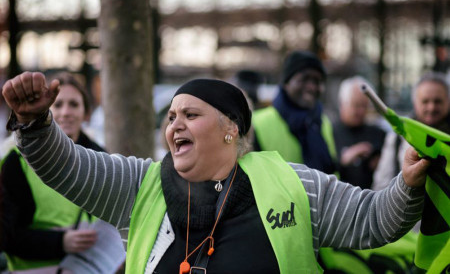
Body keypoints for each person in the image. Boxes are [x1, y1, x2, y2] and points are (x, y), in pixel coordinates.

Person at [2, 71, 430, 273]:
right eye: (170, 117)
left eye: (190, 113)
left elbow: (374, 220)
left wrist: (408, 183)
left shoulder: (296, 186)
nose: (174, 125)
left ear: (231, 129)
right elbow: (67, 167)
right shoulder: (139, 186)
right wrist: (36, 125)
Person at [1, 73, 125, 273]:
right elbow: (6, 237)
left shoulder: (102, 159)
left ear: (87, 113)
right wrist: (60, 242)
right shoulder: (15, 161)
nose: (66, 112)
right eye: (58, 105)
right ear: (45, 109)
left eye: (74, 104)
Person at [252, 50, 337, 174]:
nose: (311, 87)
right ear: (286, 83)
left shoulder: (323, 122)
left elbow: (332, 172)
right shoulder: (257, 123)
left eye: (317, 81)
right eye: (304, 79)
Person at [372, 72, 450, 191]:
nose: (431, 107)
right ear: (415, 103)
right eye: (425, 101)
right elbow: (381, 186)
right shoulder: (398, 136)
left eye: (437, 101)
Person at [333, 76, 386, 189]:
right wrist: (345, 160)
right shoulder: (330, 132)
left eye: (364, 106)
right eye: (356, 105)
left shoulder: (378, 134)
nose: (360, 111)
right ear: (342, 104)